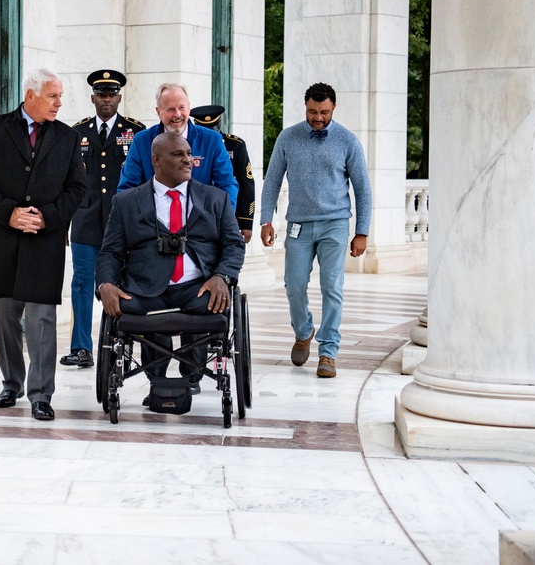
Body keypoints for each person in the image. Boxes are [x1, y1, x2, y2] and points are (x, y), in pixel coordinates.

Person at [0, 68, 86, 420]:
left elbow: (78, 189)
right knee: (4, 316)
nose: (59, 103)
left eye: (60, 96)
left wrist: (46, 216)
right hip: (2, 239)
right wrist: (9, 213)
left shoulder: (66, 137)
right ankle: (11, 382)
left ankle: (41, 394)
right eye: (53, 96)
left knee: (41, 319)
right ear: (31, 96)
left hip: (43, 242)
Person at [96, 132, 245, 400]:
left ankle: (193, 374)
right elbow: (110, 251)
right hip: (145, 288)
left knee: (212, 304)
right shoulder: (127, 202)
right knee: (127, 307)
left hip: (197, 287)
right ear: (156, 160)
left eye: (189, 153)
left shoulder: (215, 199)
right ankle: (157, 377)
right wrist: (105, 284)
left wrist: (223, 276)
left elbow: (234, 244)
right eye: (178, 154)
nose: (188, 159)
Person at [117, 83, 241, 391]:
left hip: (201, 241)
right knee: (151, 291)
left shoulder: (210, 141)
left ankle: (193, 372)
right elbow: (127, 186)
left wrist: (218, 220)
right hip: (153, 237)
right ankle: (156, 377)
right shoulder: (143, 141)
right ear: (158, 112)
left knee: (200, 294)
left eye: (182, 107)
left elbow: (228, 185)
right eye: (170, 108)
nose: (177, 114)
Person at [258, 82, 371, 379]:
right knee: (293, 285)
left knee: (331, 287)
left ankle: (328, 351)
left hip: (335, 224)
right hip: (298, 224)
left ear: (333, 108)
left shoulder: (348, 142)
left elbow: (363, 189)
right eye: (312, 111)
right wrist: (266, 220)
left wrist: (362, 231)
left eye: (323, 112)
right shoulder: (288, 138)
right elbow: (271, 182)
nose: (317, 117)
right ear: (305, 107)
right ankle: (304, 330)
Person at [61, 69, 145, 369]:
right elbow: (66, 181)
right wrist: (64, 220)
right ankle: (81, 347)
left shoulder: (136, 132)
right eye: (101, 94)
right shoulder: (76, 132)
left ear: (119, 98)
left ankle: (123, 343)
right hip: (85, 221)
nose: (106, 99)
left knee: (123, 283)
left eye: (111, 94)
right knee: (82, 282)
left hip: (123, 223)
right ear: (93, 97)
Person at [189, 104, 255, 242]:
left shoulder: (235, 145)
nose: (211, 136)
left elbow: (246, 183)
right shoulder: (187, 145)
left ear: (219, 123)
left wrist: (245, 222)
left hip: (226, 213)